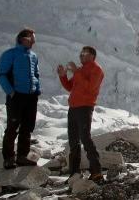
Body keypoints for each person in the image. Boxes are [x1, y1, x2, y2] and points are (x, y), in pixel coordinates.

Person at [57, 46, 105, 182]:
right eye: (80, 54)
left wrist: (77, 71)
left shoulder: (97, 70)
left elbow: (90, 87)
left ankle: (96, 171)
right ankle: (74, 173)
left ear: (92, 56)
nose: (81, 56)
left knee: (85, 137)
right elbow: (70, 87)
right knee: (73, 141)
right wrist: (62, 75)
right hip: (73, 108)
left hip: (85, 107)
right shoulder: (81, 70)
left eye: (84, 54)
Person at [0, 27, 41, 169]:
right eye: (31, 39)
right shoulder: (10, 54)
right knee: (13, 127)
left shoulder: (33, 56)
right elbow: (1, 74)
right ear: (23, 39)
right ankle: (8, 158)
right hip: (17, 96)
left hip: (31, 96)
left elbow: (36, 75)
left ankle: (22, 156)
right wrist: (11, 92)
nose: (33, 42)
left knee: (27, 127)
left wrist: (37, 91)